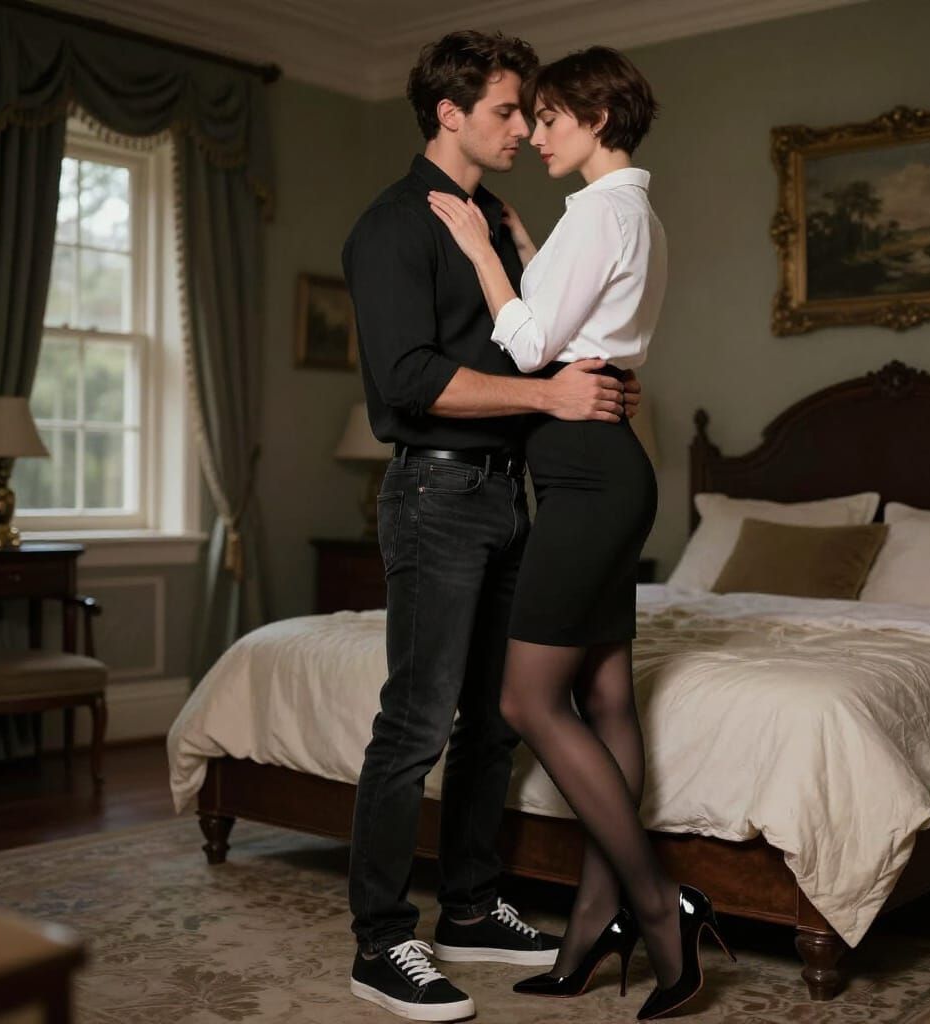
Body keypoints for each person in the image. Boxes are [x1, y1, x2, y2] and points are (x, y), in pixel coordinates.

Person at [341, 31, 641, 1023]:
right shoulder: (393, 226)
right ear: (450, 113)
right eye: (509, 110)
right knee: (417, 720)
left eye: (531, 112)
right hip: (433, 497)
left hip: (509, 496)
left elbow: (543, 345)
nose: (525, 125)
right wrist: (550, 399)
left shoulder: (502, 222)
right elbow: (408, 380)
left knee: (489, 721)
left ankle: (468, 902)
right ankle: (381, 941)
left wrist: (587, 388)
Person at [428, 46, 733, 1020]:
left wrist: (481, 250)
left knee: (527, 699)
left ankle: (659, 905)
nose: (535, 133)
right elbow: (597, 332)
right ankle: (587, 927)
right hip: (601, 470)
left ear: (598, 117)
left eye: (552, 115)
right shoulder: (625, 214)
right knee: (605, 696)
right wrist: (527, 248)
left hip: (588, 480)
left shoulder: (599, 213)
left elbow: (529, 344)